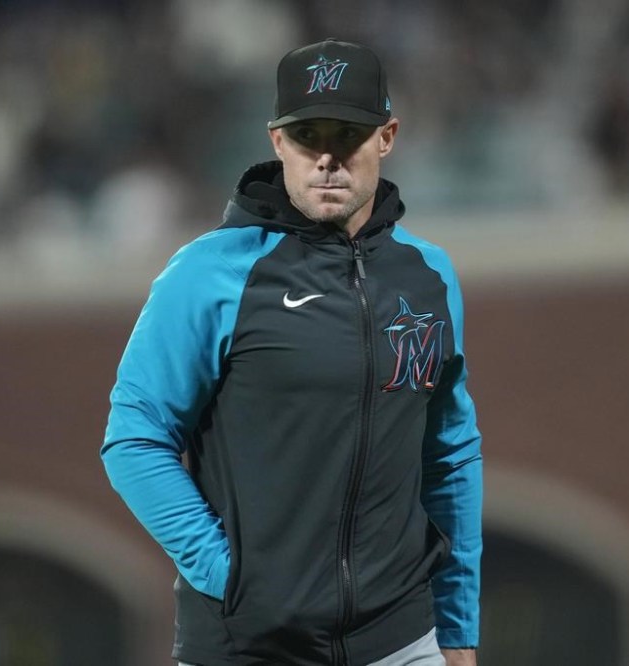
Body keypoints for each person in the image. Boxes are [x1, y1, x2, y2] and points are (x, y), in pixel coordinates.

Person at [101, 38, 483, 666]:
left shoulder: (428, 276)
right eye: (308, 136)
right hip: (250, 648)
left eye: (348, 134)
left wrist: (458, 627)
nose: (327, 158)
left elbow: (450, 452)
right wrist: (231, 578)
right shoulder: (209, 273)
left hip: (401, 641)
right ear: (277, 141)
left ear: (387, 137)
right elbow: (133, 438)